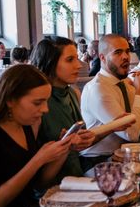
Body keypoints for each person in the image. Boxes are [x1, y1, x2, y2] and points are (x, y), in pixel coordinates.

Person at [0, 65, 72, 207]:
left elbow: (38, 183)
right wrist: (38, 160)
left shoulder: (24, 125)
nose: (45, 109)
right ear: (10, 99)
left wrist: (63, 148)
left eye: (46, 101)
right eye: (37, 102)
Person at [31, 38, 97, 179]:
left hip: (76, 177)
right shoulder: (37, 103)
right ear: (50, 63)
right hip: (51, 185)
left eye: (77, 58)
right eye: (69, 60)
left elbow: (78, 145)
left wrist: (87, 138)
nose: (78, 65)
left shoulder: (72, 93)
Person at [80, 34, 140, 165]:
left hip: (124, 157)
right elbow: (132, 134)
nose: (125, 57)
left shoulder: (122, 84)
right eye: (118, 52)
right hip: (98, 161)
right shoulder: (98, 89)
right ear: (102, 58)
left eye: (127, 51)